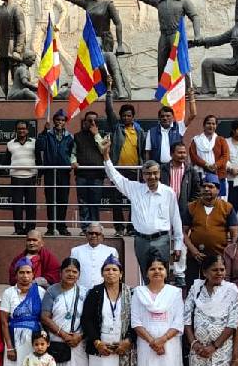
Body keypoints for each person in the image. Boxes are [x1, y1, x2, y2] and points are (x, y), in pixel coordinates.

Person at [101, 150, 183, 281]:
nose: (152, 176)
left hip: (161, 241)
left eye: (155, 173)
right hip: (141, 241)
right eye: (148, 174)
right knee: (146, 277)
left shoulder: (168, 193)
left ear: (159, 173)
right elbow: (115, 177)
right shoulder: (135, 189)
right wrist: (106, 156)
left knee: (161, 277)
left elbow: (176, 219)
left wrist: (178, 245)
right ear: (143, 176)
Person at [81, 256, 136, 366]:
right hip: (101, 346)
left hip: (124, 347)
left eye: (114, 270)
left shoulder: (131, 293)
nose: (110, 273)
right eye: (107, 270)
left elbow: (137, 320)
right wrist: (97, 342)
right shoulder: (95, 293)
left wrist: (128, 341)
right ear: (102, 273)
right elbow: (87, 320)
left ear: (121, 273)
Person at [103, 95, 144, 235]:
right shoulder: (116, 128)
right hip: (118, 171)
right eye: (124, 116)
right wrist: (109, 90)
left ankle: (132, 228)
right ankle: (119, 228)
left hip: (134, 171)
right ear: (120, 117)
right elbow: (109, 110)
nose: (126, 118)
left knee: (135, 201)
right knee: (117, 200)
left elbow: (143, 152)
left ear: (133, 117)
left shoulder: (140, 132)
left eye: (129, 116)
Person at [184, 174, 237, 281]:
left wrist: (228, 251)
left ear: (218, 190)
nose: (206, 189)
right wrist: (193, 250)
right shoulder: (191, 207)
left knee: (216, 288)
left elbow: (234, 233)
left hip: (218, 257)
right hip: (195, 256)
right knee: (193, 287)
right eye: (204, 186)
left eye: (211, 186)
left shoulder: (227, 207)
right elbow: (183, 232)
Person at [37, 110, 74, 236]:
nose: (60, 122)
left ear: (65, 122)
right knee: (51, 199)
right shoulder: (47, 135)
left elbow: (72, 153)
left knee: (63, 199)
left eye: (63, 120)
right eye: (58, 120)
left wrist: (70, 163)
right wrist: (43, 131)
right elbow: (39, 146)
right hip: (49, 171)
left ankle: (61, 226)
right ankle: (51, 226)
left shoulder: (70, 137)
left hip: (63, 172)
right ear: (54, 121)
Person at [70, 112, 107, 232]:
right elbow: (73, 153)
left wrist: (96, 135)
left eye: (94, 120)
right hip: (82, 175)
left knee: (95, 202)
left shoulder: (103, 135)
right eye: (89, 120)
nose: (92, 123)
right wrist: (74, 161)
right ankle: (85, 228)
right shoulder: (77, 136)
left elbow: (103, 150)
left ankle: (95, 227)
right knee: (83, 202)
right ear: (84, 122)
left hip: (97, 175)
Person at [7, 120, 38, 235]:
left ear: (27, 130)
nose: (21, 130)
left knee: (31, 205)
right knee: (17, 205)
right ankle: (18, 229)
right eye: (19, 129)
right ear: (16, 130)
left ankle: (30, 229)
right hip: (16, 177)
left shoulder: (35, 142)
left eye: (24, 128)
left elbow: (39, 158)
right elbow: (6, 161)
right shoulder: (10, 144)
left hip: (30, 177)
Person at [188, 116, 230, 199]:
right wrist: (206, 165)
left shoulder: (221, 140)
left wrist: (215, 166)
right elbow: (193, 156)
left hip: (219, 174)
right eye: (208, 123)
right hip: (201, 175)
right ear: (204, 125)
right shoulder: (196, 140)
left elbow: (225, 156)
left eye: (213, 124)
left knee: (219, 201)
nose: (211, 126)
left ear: (216, 126)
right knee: (202, 198)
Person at [69, 223, 119, 290]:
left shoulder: (111, 251)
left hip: (103, 291)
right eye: (91, 233)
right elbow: (72, 271)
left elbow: (115, 273)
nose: (94, 235)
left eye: (97, 233)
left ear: (102, 236)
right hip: (81, 291)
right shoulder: (76, 251)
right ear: (86, 235)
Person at [144, 106, 184, 173]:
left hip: (175, 167)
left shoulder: (179, 128)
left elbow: (192, 115)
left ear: (173, 117)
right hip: (158, 168)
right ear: (159, 118)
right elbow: (148, 152)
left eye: (168, 116)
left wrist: (191, 97)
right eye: (162, 116)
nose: (165, 118)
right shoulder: (151, 132)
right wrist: (147, 168)